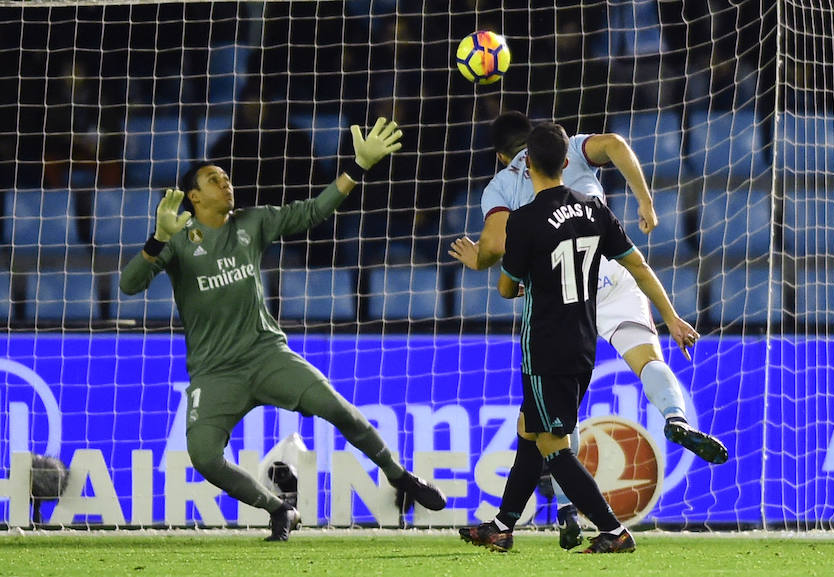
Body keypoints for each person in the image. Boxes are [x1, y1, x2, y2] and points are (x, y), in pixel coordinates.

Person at [120, 117, 446, 541]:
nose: (226, 183)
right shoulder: (178, 240)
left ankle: (399, 475)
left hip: (267, 354)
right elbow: (129, 285)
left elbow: (314, 211)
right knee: (203, 456)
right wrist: (157, 239)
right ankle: (278, 509)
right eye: (215, 180)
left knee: (339, 410)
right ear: (194, 197)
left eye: (226, 177)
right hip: (215, 372)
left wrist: (358, 167)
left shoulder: (252, 223)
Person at [449, 111, 727, 549]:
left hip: (552, 324)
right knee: (539, 423)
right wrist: (671, 315)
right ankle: (503, 526)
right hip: (603, 288)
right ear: (566, 160)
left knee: (552, 441)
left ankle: (603, 526)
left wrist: (485, 262)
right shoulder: (593, 203)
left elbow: (500, 261)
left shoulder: (507, 195)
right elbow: (616, 147)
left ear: (505, 157)